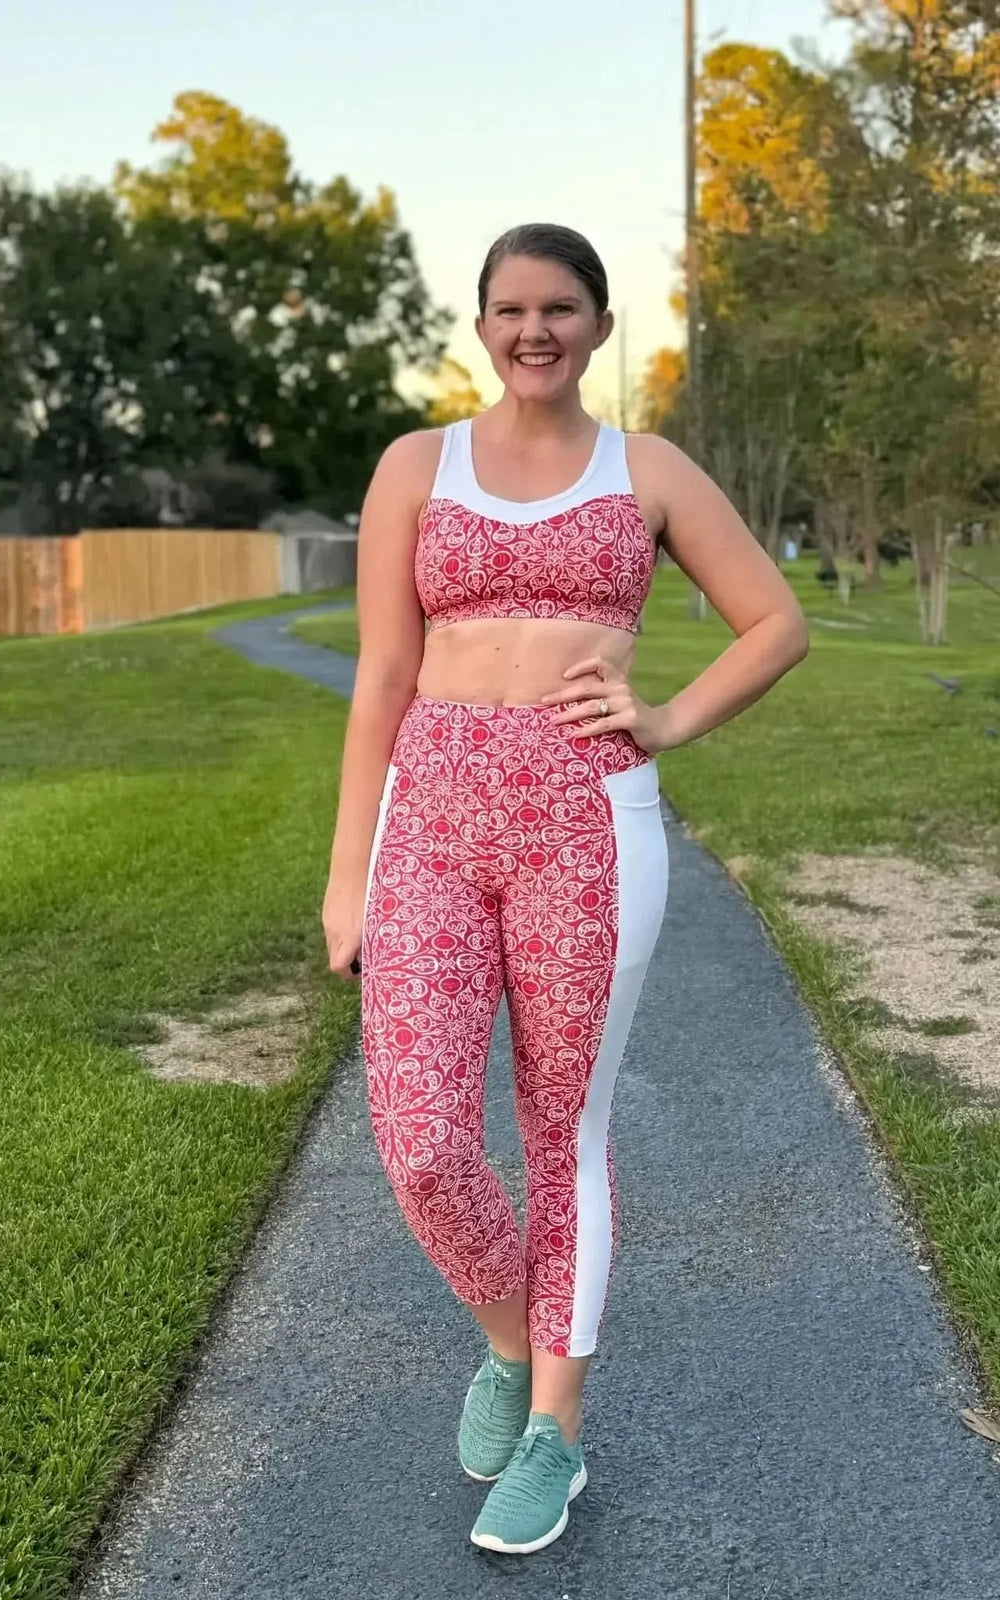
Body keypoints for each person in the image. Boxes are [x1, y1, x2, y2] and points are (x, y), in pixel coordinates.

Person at [322, 222, 808, 1557]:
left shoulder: (646, 469)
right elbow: (380, 676)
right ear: (482, 324)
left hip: (587, 823)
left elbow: (777, 621)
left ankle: (556, 1427)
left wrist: (667, 718)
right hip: (430, 821)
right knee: (422, 1139)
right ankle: (507, 1340)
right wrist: (348, 873)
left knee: (564, 1132)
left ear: (597, 322)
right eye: (511, 308)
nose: (534, 329)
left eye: (560, 307)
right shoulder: (415, 467)